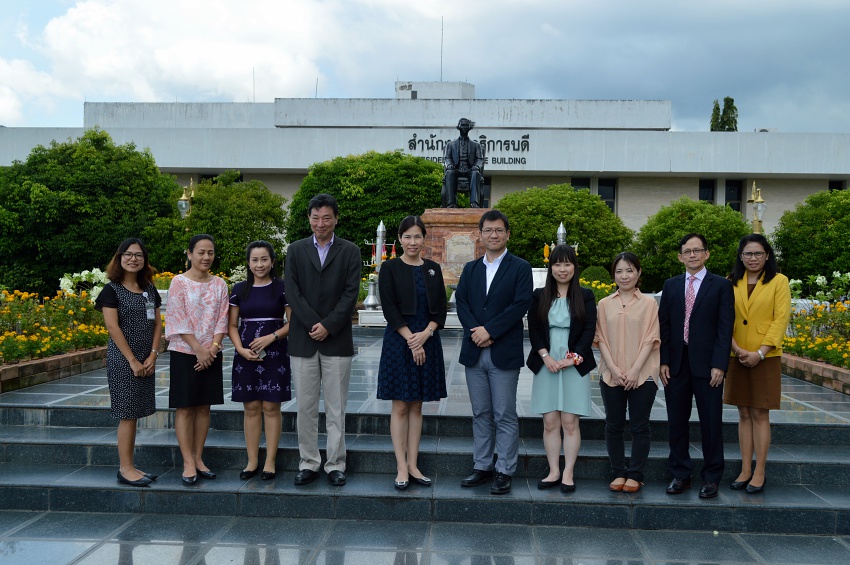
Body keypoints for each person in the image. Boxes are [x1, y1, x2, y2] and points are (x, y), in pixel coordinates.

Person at [284, 193, 362, 487]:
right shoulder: (295, 250)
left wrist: (328, 325)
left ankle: (335, 463)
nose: (321, 223)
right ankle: (308, 462)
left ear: (336, 219)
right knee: (304, 406)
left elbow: (350, 294)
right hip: (303, 340)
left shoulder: (350, 251)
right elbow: (292, 292)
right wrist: (312, 323)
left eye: (326, 217)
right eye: (315, 218)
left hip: (337, 339)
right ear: (309, 219)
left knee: (336, 406)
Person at [456, 210, 532, 495]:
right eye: (488, 230)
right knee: (481, 412)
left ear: (507, 234)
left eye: (499, 230)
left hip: (503, 351)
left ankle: (504, 470)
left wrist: (491, 331)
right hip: (474, 351)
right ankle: (482, 465)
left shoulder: (520, 267)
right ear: (480, 234)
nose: (493, 235)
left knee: (504, 413)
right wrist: (477, 330)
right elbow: (461, 301)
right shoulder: (471, 268)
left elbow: (520, 304)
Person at [659, 233, 734, 499]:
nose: (692, 255)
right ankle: (681, 473)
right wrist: (664, 360)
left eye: (697, 250)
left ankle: (712, 477)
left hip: (708, 367)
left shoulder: (721, 286)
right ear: (680, 257)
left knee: (711, 423)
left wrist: (720, 365)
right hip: (676, 365)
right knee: (676, 422)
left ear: (706, 254)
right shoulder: (671, 285)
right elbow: (664, 325)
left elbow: (726, 328)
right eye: (687, 251)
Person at [377, 216, 448, 490]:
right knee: (400, 404)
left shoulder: (433, 268)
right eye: (407, 236)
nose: (413, 242)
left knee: (418, 404)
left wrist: (426, 335)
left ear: (424, 239)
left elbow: (440, 308)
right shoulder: (390, 268)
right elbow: (390, 309)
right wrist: (412, 340)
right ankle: (401, 465)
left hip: (427, 338)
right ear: (400, 239)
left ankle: (415, 464)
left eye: (417, 236)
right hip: (399, 340)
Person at [527, 245, 597, 493]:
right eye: (557, 264)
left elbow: (589, 328)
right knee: (550, 421)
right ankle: (553, 470)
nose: (562, 269)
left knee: (569, 421)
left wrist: (574, 357)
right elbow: (534, 328)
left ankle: (568, 473)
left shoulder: (585, 295)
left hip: (574, 363)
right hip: (546, 361)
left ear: (574, 267)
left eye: (567, 264)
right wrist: (545, 355)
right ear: (551, 267)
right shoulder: (539, 295)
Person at [724, 234, 791, 494]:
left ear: (767, 255)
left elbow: (780, 319)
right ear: (741, 257)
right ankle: (744, 469)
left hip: (766, 357)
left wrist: (760, 353)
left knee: (760, 413)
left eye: (758, 254)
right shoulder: (731, 282)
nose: (753, 259)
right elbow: (725, 318)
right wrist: (737, 349)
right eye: (748, 254)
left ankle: (760, 471)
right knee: (742, 413)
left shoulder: (779, 281)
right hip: (737, 354)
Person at [96, 238, 162, 487]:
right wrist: (133, 360)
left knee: (135, 413)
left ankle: (131, 465)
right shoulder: (111, 290)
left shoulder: (149, 289)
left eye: (139, 255)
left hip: (146, 359)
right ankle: (125, 469)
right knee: (127, 414)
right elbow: (112, 327)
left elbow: (157, 324)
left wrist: (153, 354)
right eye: (128, 254)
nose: (133, 259)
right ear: (119, 257)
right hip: (124, 361)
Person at [165, 234, 229, 486]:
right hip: (184, 352)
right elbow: (178, 318)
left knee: (204, 407)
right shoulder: (179, 283)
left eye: (210, 252)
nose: (206, 257)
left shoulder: (220, 284)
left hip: (211, 354)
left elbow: (222, 319)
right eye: (201, 252)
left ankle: (199, 458)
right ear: (189, 254)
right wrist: (198, 350)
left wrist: (211, 349)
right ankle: (187, 461)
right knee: (185, 407)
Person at [594, 252, 660, 494]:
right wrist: (613, 368)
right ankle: (618, 471)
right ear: (614, 275)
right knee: (613, 425)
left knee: (640, 425)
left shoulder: (649, 303)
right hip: (612, 374)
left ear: (638, 273)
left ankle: (636, 474)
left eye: (630, 270)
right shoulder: (604, 304)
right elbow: (600, 339)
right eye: (619, 271)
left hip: (643, 374)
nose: (624, 276)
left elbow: (651, 339)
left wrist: (634, 371)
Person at [228, 241, 292, 481]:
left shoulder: (282, 288)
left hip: (275, 354)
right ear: (248, 263)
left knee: (271, 407)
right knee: (251, 408)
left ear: (272, 262)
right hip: (246, 356)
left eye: (264, 259)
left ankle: (270, 462)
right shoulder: (239, 289)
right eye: (254, 260)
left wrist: (270, 337)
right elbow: (232, 325)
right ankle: (252, 460)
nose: (259, 264)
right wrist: (241, 349)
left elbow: (292, 322)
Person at [442, 117, 485, 208]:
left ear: (469, 127)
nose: (465, 127)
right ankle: (451, 203)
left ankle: (474, 203)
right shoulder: (451, 145)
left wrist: (476, 166)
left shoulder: (476, 145)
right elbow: (447, 158)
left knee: (476, 173)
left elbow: (480, 159)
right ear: (459, 127)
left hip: (469, 169)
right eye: (463, 125)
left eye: (466, 125)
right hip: (456, 169)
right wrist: (449, 165)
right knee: (449, 172)